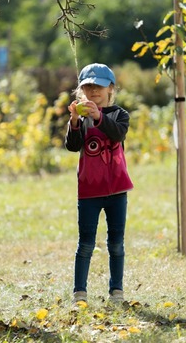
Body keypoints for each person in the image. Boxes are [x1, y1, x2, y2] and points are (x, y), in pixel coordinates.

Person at [64, 63, 134, 305]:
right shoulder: (81, 119)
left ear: (110, 89)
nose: (94, 92)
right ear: (81, 91)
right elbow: (72, 146)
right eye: (88, 87)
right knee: (85, 243)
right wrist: (74, 121)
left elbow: (118, 134)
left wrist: (98, 116)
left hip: (117, 189)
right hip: (89, 191)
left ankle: (116, 291)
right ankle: (79, 292)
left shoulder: (119, 115)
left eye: (99, 87)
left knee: (116, 243)